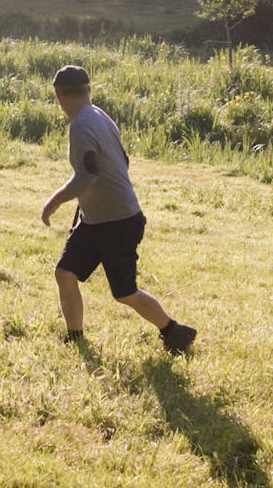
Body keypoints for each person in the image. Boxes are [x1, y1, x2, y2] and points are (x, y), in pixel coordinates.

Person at [39, 64, 197, 354]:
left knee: (124, 292)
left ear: (58, 97)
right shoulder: (100, 115)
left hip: (118, 222)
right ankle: (75, 337)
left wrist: (54, 201)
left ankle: (175, 332)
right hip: (95, 219)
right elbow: (122, 161)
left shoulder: (81, 125)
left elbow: (87, 176)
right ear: (88, 90)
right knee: (65, 272)